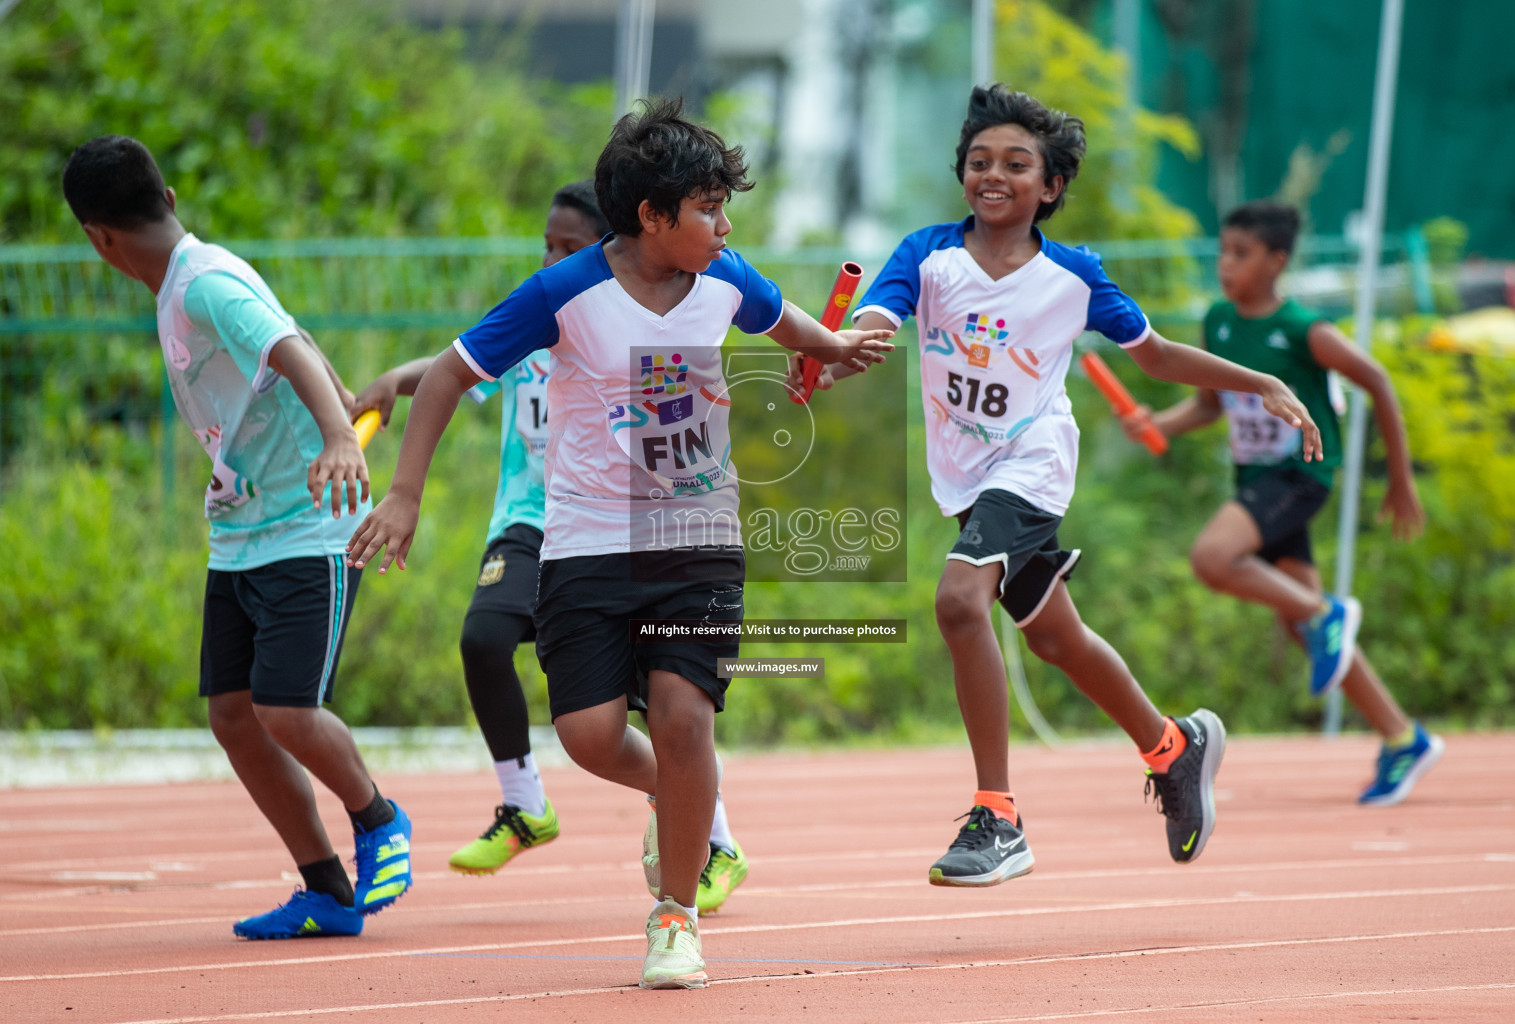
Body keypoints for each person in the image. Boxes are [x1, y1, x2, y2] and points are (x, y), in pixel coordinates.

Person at [344, 100, 892, 988]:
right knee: (591, 735)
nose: (724, 226)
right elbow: (449, 373)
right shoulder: (567, 293)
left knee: (683, 718)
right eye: (709, 208)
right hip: (587, 540)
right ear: (651, 216)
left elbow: (779, 315)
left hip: (698, 534)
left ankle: (675, 918)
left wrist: (830, 346)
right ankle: (673, 798)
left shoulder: (724, 275)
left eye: (726, 208)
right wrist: (404, 494)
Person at [822, 84, 1321, 885]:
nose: (994, 174)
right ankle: (1172, 746)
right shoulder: (927, 255)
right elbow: (876, 319)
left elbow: (1155, 356)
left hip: (1033, 463)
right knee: (1054, 637)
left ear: (1049, 187)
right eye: (979, 161)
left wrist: (1256, 379)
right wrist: (834, 346)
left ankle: (999, 816)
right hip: (966, 477)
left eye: (1017, 164)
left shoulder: (1074, 274)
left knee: (958, 601)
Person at [352, 180, 752, 910]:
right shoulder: (539, 311)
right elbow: (454, 369)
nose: (552, 257)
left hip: (628, 529)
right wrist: (390, 382)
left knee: (669, 711)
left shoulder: (628, 321)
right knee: (485, 639)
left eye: (568, 246)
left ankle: (708, 835)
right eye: (547, 244)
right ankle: (526, 804)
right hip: (535, 524)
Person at [61, 135, 411, 939]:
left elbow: (285, 348)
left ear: (97, 238)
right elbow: (289, 336)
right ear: (170, 198)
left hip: (308, 525)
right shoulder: (185, 280)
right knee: (232, 712)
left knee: (286, 708)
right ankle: (325, 887)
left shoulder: (205, 280)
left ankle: (380, 819)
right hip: (244, 531)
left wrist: (336, 435)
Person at [1119, 200, 1442, 805]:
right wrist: (1156, 421)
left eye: (1241, 254)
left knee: (1213, 559)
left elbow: (1378, 380)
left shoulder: (1303, 330)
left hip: (1299, 478)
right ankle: (1403, 737)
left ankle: (1329, 615)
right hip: (1254, 486)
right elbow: (1212, 405)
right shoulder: (1217, 322)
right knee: (1302, 623)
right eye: (1223, 252)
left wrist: (1400, 479)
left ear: (1277, 261)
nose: (1225, 265)